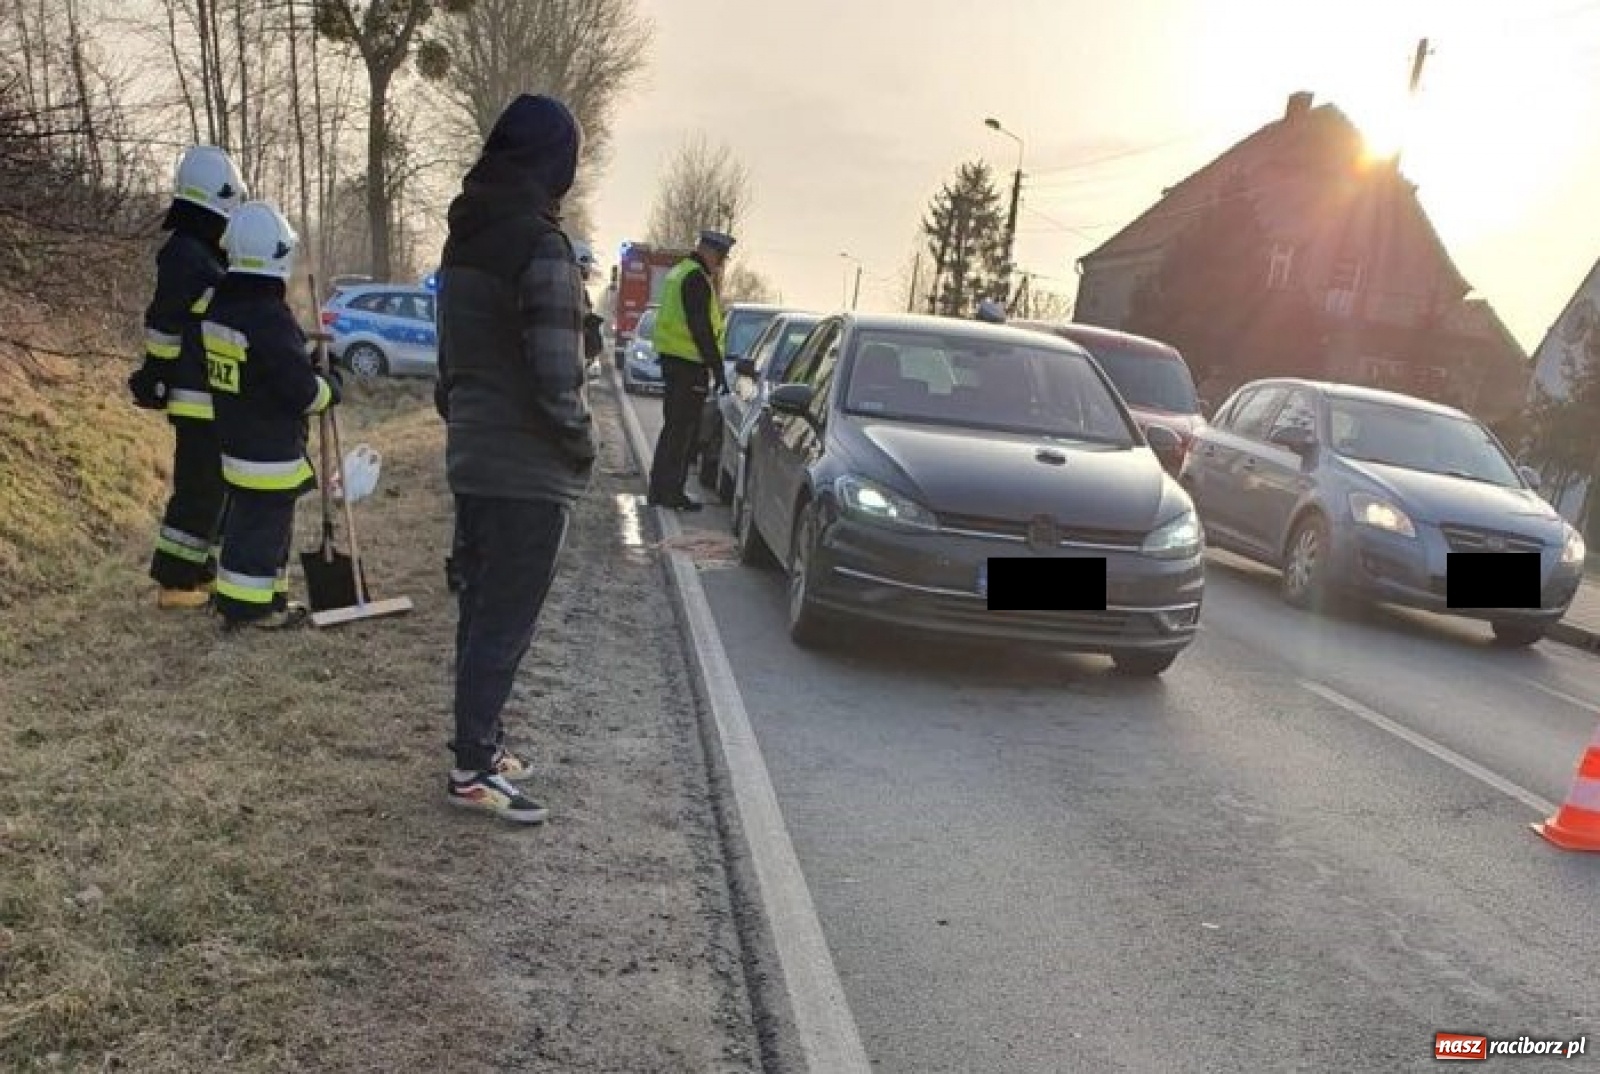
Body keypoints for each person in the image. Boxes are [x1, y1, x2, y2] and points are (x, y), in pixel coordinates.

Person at [434, 93, 596, 825]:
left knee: (480, 607)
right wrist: (580, 443)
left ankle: (482, 742)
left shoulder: (464, 240)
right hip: (527, 467)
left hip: (472, 454)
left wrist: (467, 422)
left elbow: (449, 364)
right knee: (507, 617)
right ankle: (472, 766)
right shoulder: (541, 244)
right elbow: (558, 371)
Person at [202, 201, 341, 631]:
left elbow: (260, 368)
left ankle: (254, 598)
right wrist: (330, 386)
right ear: (278, 254)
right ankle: (254, 610)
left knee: (248, 524)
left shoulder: (221, 307)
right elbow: (300, 392)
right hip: (270, 448)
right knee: (264, 530)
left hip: (235, 440)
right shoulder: (268, 317)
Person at [128, 145, 246, 609]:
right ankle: (175, 582)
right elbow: (165, 322)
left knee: (213, 489)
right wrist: (157, 372)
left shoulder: (199, 253)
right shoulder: (185, 255)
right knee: (199, 490)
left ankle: (200, 572)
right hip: (196, 396)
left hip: (213, 394)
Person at [646, 230, 734, 512]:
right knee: (683, 433)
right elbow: (701, 328)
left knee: (672, 429)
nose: (721, 264)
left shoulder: (679, 273)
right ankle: (671, 492)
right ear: (709, 251)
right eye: (721, 257)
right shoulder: (696, 278)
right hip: (689, 366)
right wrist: (717, 368)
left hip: (674, 363)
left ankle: (659, 489)